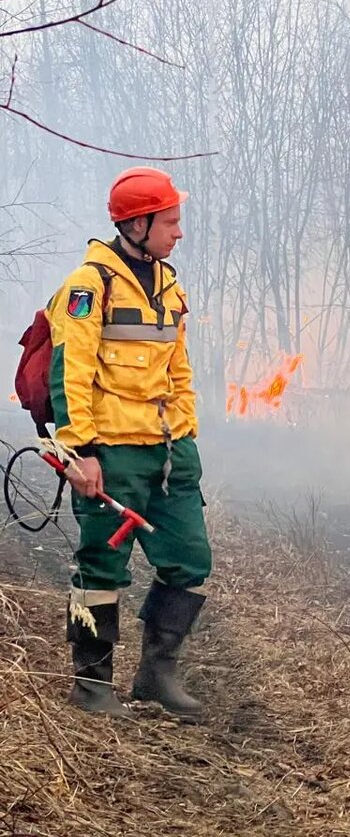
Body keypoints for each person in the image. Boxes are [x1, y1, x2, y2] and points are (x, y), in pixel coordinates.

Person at [47, 166, 209, 718]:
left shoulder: (170, 285)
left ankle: (156, 677)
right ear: (137, 224)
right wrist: (81, 451)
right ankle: (91, 686)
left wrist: (186, 437)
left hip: (170, 453)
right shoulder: (88, 287)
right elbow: (70, 373)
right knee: (102, 566)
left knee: (189, 560)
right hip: (109, 453)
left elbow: (180, 370)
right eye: (170, 222)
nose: (178, 232)